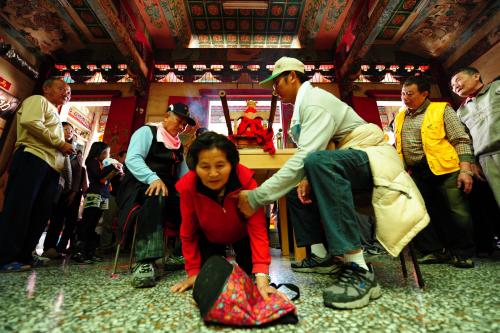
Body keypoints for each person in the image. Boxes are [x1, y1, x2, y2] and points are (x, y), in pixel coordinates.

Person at [237, 57, 428, 309]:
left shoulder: (315, 102)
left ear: (292, 76)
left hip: (368, 154)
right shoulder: (303, 105)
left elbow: (308, 156)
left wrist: (256, 197)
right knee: (297, 191)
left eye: (277, 82)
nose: (274, 89)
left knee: (317, 163)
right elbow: (319, 151)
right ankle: (322, 256)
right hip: (345, 157)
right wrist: (305, 177)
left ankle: (359, 269)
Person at [171, 132, 280, 300]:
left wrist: (262, 278)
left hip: (243, 236)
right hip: (209, 239)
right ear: (195, 168)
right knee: (212, 279)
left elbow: (258, 231)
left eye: (220, 165)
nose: (213, 174)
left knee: (251, 275)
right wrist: (193, 272)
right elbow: (188, 233)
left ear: (232, 164)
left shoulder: (246, 181)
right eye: (205, 167)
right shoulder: (188, 187)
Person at [394, 76, 475, 268]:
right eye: (403, 93)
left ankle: (463, 253)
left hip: (446, 169)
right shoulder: (400, 117)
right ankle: (435, 251)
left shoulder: (441, 109)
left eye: (410, 93)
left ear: (424, 94)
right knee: (422, 213)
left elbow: (460, 139)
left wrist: (466, 169)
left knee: (457, 212)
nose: (405, 98)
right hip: (417, 172)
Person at [117, 102, 195, 288]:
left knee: (192, 204)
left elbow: (184, 177)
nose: (181, 126)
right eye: (179, 120)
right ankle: (145, 261)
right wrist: (153, 178)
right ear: (166, 116)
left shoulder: (178, 147)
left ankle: (178, 254)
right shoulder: (147, 132)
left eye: (185, 124)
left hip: (168, 189)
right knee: (156, 194)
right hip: (140, 185)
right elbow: (133, 159)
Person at [0, 78, 74, 271]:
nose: (66, 93)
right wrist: (60, 143)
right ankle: (5, 257)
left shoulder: (56, 114)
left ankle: (26, 255)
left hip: (50, 167)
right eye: (62, 88)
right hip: (33, 158)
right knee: (20, 208)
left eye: (69, 92)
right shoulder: (38, 101)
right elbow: (30, 122)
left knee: (39, 213)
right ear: (46, 88)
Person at [450, 67, 500, 207]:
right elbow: (466, 140)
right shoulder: (460, 112)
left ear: (476, 76)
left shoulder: (497, 88)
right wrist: (473, 163)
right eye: (452, 86)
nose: (455, 87)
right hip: (486, 160)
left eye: (458, 80)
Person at [73, 142, 120, 264]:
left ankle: (90, 252)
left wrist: (116, 171)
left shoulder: (104, 163)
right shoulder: (92, 161)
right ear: (98, 152)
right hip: (94, 194)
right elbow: (98, 176)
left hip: (104, 195)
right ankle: (79, 252)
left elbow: (106, 179)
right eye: (105, 152)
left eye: (108, 153)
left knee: (95, 224)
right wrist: (112, 166)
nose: (107, 155)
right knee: (87, 222)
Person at [42, 122, 82, 259]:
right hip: (51, 185)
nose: (69, 132)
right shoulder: (53, 144)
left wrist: (74, 191)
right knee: (42, 215)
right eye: (66, 129)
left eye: (71, 131)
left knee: (58, 220)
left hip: (65, 190)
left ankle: (51, 247)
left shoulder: (76, 153)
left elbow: (78, 174)